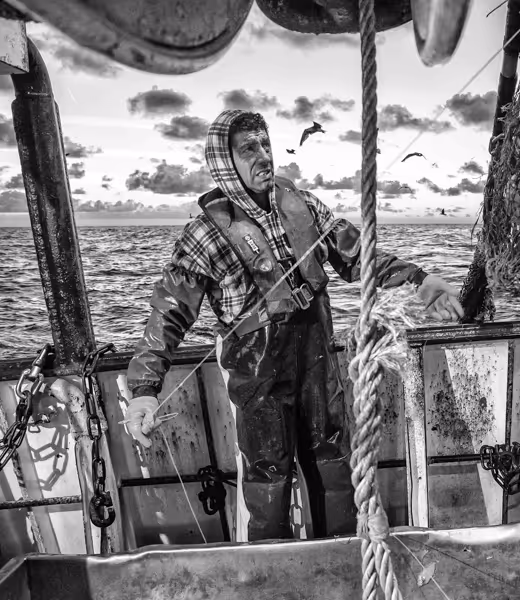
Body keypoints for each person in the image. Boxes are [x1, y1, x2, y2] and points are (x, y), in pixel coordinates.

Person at [124, 109, 464, 542]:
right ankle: (274, 568)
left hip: (316, 357)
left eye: (266, 145)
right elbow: (169, 313)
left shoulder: (304, 205)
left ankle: (344, 554)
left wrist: (420, 281)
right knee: (268, 472)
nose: (264, 155)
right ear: (225, 162)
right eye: (249, 148)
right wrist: (144, 389)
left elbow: (358, 258)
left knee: (333, 458)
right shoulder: (204, 234)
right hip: (258, 372)